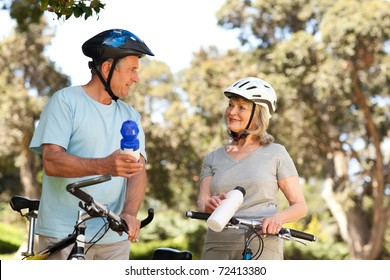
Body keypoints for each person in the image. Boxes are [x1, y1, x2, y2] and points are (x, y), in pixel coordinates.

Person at [29, 29, 154, 260]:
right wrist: (106, 165)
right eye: (132, 70)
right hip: (63, 235)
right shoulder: (65, 102)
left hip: (114, 237)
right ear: (107, 68)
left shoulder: (131, 116)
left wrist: (129, 212)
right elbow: (52, 162)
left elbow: (137, 171)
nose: (136, 77)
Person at [197, 77, 308, 260]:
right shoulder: (213, 157)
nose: (232, 111)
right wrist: (209, 204)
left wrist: (278, 218)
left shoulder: (276, 153)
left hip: (261, 245)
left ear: (258, 114)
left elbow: (300, 206)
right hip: (217, 245)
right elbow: (203, 202)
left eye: (241, 107)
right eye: (231, 105)